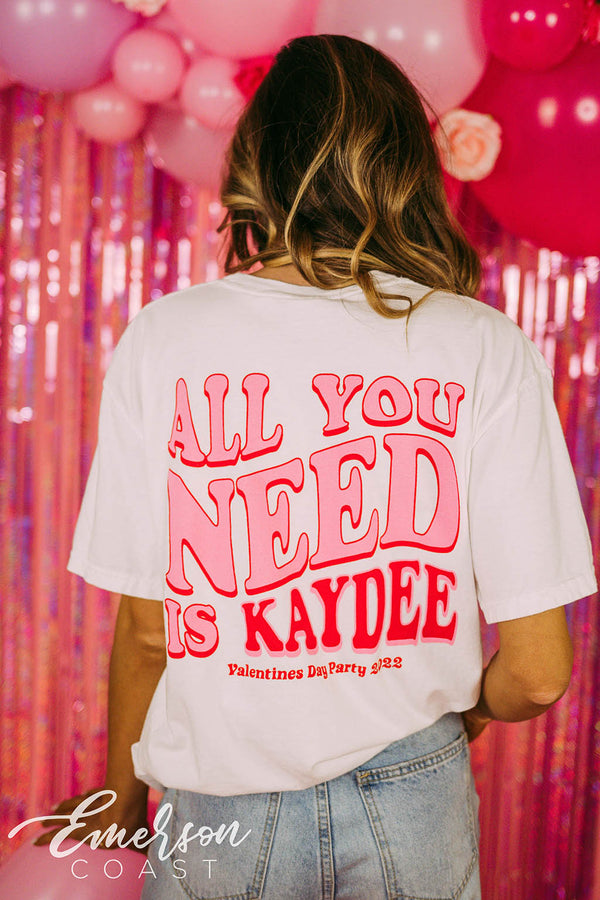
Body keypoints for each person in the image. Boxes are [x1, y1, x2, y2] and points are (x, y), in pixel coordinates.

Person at [35, 34, 596, 900]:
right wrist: (468, 715)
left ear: (254, 166)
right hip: (417, 796)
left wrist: (122, 795)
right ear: (408, 168)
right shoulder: (484, 345)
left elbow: (149, 628)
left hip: (218, 807)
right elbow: (539, 669)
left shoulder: (167, 339)